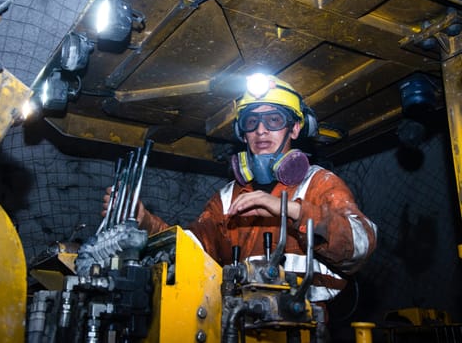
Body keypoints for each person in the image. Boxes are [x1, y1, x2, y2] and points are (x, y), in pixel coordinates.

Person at [102, 73, 377, 341]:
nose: (261, 130)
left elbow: (361, 246)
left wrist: (291, 210)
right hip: (238, 328)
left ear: (294, 129)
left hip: (302, 330)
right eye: (251, 121)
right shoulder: (226, 198)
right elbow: (191, 253)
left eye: (274, 119)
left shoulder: (318, 183)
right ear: (242, 134)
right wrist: (144, 221)